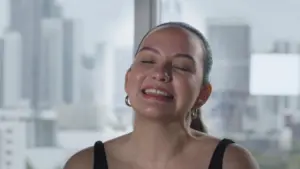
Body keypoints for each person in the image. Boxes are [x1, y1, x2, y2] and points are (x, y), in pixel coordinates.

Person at [63, 22, 259, 169]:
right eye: (148, 61)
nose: (160, 73)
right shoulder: (84, 164)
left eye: (181, 66)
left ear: (202, 94)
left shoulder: (231, 162)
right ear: (127, 80)